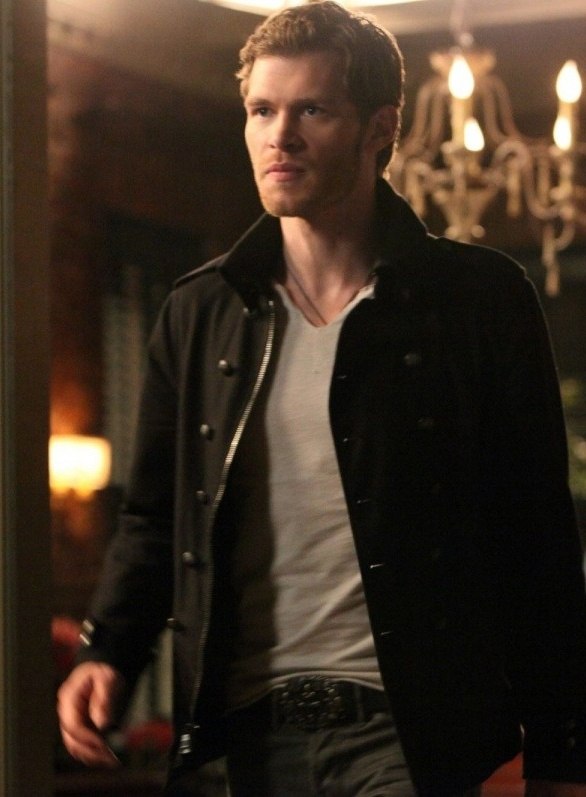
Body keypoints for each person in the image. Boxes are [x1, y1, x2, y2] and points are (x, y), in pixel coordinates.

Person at [57, 2, 586, 795]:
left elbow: (537, 534)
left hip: (405, 734)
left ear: (381, 128)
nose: (281, 137)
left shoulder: (478, 299)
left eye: (312, 110)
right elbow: (153, 517)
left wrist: (560, 753)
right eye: (262, 111)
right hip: (239, 735)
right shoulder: (200, 311)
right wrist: (108, 650)